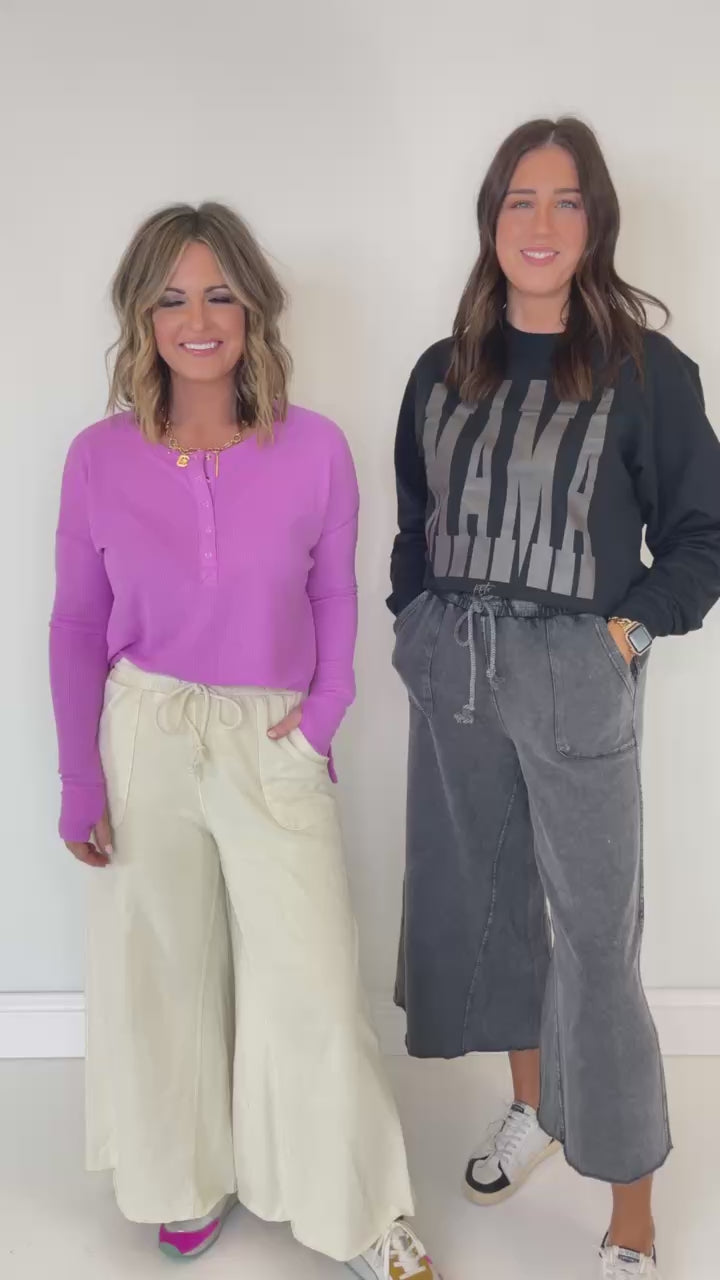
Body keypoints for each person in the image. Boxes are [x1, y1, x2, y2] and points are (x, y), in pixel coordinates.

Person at [50, 201, 441, 1279]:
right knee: (162, 973)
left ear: (255, 308)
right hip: (146, 728)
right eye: (172, 297)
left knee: (311, 976)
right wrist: (80, 778)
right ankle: (181, 1178)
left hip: (273, 734)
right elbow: (77, 621)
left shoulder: (314, 447)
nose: (198, 318)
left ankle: (360, 1211)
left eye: (219, 293)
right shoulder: (97, 457)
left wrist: (322, 718)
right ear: (142, 317)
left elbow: (335, 593)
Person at [388, 117, 720, 1280]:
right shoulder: (443, 370)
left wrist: (621, 635)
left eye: (565, 200)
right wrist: (414, 625)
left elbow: (702, 537)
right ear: (491, 219)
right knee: (487, 908)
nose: (540, 223)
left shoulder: (648, 372)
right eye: (519, 200)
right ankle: (530, 1106)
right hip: (455, 669)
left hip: (578, 676)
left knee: (594, 941)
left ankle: (633, 1213)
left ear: (596, 221)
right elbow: (416, 523)